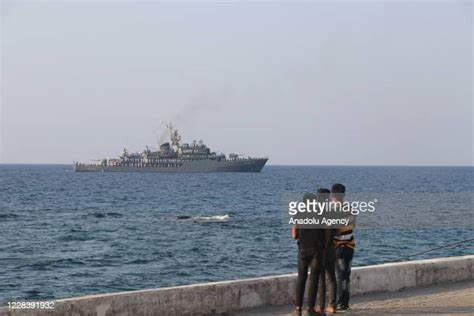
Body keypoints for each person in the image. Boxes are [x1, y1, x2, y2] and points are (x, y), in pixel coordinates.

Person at [292, 193, 324, 315]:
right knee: (314, 279)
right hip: (316, 250)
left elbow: (294, 235)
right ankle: (310, 309)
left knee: (301, 278)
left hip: (303, 250)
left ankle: (297, 309)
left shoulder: (298, 214)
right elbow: (326, 233)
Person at [331, 183, 355, 311]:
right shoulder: (351, 208)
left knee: (339, 275)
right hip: (350, 246)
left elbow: (333, 230)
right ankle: (345, 302)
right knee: (347, 275)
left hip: (338, 247)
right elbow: (353, 226)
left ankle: (340, 303)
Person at [315, 188, 337, 314]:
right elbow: (338, 231)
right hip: (332, 248)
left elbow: (327, 230)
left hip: (323, 248)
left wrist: (323, 244)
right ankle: (332, 305)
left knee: (321, 279)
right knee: (332, 276)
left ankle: (321, 307)